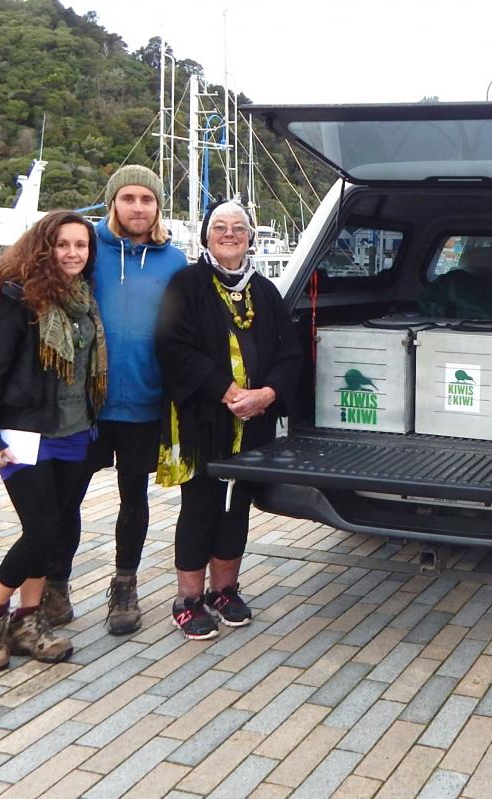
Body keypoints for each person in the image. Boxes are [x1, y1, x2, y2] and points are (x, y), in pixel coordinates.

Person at [43, 165, 187, 635]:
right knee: (67, 499)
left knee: (134, 499)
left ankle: (124, 585)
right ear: (112, 202)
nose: (138, 207)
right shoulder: (88, 250)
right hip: (86, 405)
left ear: (158, 205)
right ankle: (56, 586)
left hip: (146, 404)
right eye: (129, 198)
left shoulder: (174, 261)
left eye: (147, 199)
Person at [0, 211, 107, 671]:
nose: (72, 254)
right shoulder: (16, 299)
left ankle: (28, 620)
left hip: (74, 432)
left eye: (80, 246)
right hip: (24, 433)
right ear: (44, 247)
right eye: (63, 245)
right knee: (41, 529)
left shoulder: (85, 299)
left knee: (57, 530)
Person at [155, 201, 300, 640]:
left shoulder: (265, 292)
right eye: (220, 226)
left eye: (239, 228)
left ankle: (225, 591)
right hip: (202, 419)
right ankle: (189, 599)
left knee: (237, 507)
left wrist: (267, 394)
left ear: (251, 237)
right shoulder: (186, 284)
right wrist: (227, 391)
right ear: (205, 236)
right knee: (199, 507)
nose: (230, 234)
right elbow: (172, 347)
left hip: (252, 422)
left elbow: (290, 354)